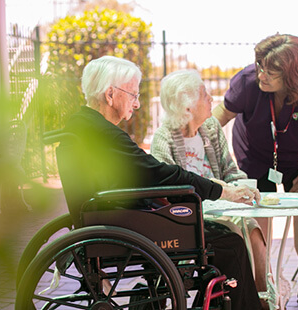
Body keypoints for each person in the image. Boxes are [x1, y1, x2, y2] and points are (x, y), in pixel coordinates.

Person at [58, 55, 263, 310]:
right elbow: (159, 173)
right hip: (125, 225)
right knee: (230, 243)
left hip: (110, 218)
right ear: (110, 94)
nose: (137, 103)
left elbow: (145, 173)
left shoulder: (83, 125)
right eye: (132, 95)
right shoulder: (103, 133)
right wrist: (218, 190)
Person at [213, 34, 298, 309]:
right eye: (259, 65)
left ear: (291, 74)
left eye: (269, 71)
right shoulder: (248, 82)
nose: (261, 74)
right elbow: (218, 119)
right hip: (257, 156)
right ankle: (264, 286)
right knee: (260, 215)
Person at [150, 69, 268, 292]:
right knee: (234, 232)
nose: (212, 99)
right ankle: (236, 294)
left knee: (253, 230)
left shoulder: (211, 128)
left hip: (223, 206)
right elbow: (166, 193)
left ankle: (262, 297)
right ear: (187, 107)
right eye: (204, 94)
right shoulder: (164, 139)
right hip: (189, 216)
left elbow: (230, 170)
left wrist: (243, 186)